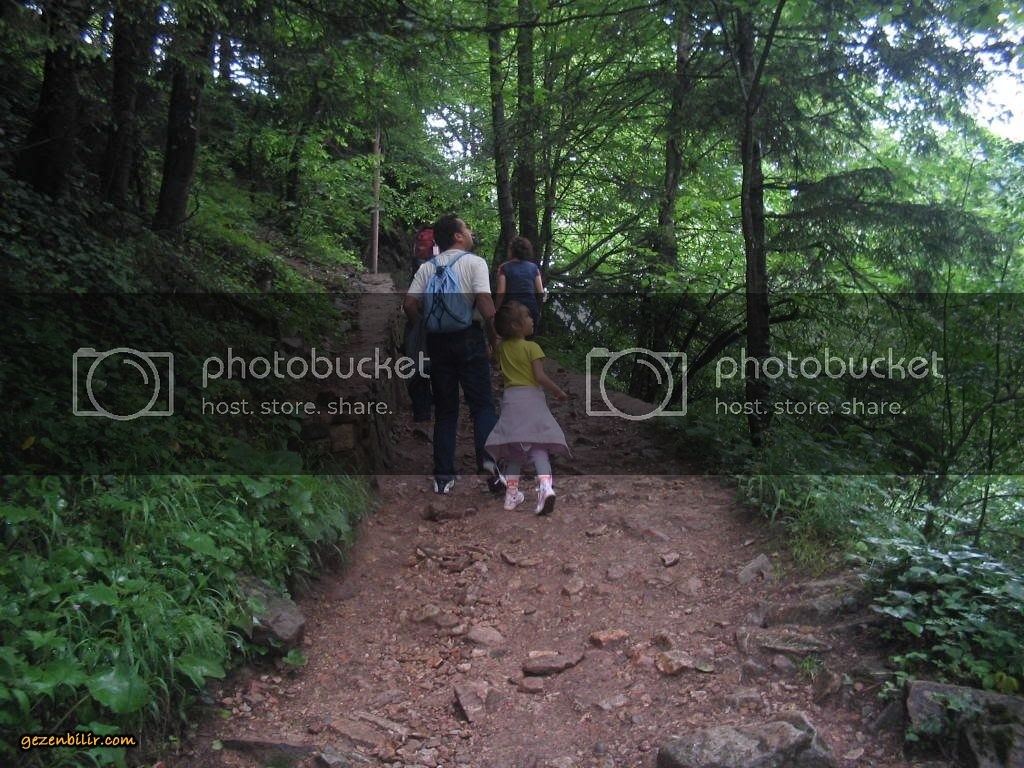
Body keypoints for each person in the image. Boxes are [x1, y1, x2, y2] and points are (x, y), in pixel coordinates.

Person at [403, 214, 504, 495]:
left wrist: (423, 328)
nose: (470, 232)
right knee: (482, 406)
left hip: (437, 343)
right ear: (458, 236)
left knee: (446, 411)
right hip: (469, 338)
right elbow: (485, 303)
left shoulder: (427, 267)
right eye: (467, 228)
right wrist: (495, 341)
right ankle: (490, 465)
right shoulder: (475, 263)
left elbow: (409, 304)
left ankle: (443, 477)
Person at [485, 300, 570, 515]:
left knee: (516, 451)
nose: (532, 319)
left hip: (511, 401)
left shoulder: (503, 348)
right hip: (532, 400)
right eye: (528, 316)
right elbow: (539, 376)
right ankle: (546, 488)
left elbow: (493, 355)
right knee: (539, 448)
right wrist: (558, 391)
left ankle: (511, 495)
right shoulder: (532, 348)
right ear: (516, 326)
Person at [495, 236, 545, 337]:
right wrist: (537, 309)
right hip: (530, 310)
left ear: (511, 250)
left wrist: (496, 310)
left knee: (509, 340)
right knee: (528, 340)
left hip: (510, 311)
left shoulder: (504, 267)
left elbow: (501, 292)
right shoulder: (534, 268)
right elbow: (540, 292)